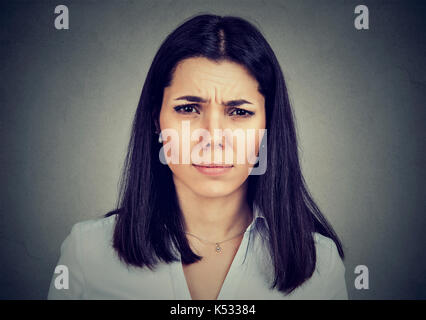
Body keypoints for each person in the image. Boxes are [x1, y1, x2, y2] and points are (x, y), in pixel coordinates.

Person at [47, 14, 348, 300]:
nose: (213, 137)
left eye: (239, 112)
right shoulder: (87, 254)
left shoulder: (320, 266)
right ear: (156, 119)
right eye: (188, 108)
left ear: (268, 126)